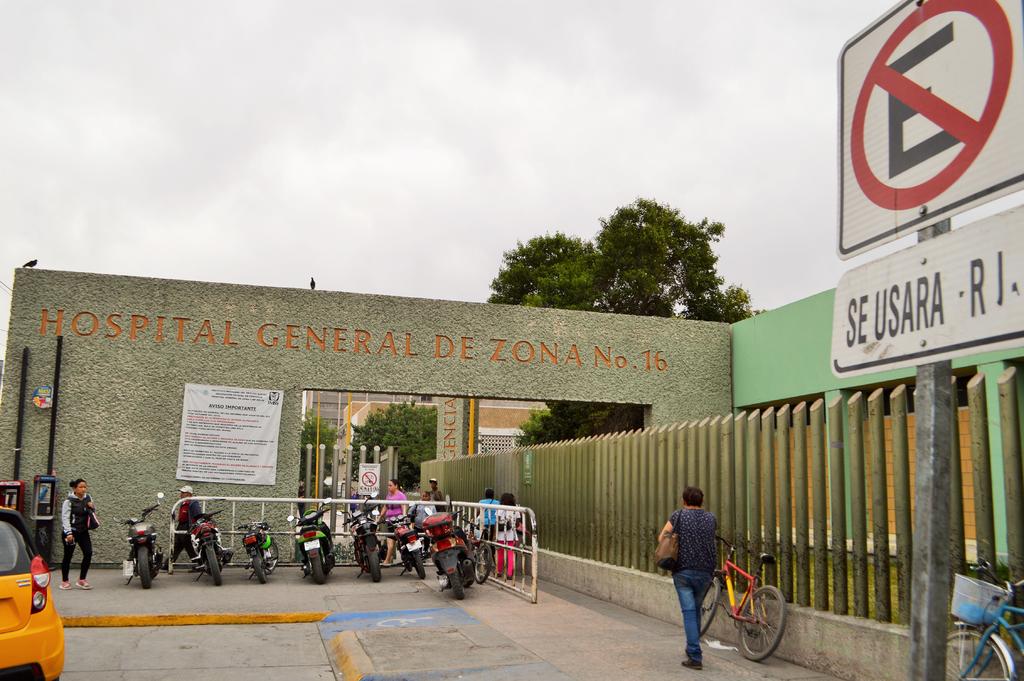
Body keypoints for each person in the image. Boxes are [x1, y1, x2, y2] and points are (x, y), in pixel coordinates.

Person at [659, 486, 717, 671]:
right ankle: (691, 647)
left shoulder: (678, 516)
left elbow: (662, 537)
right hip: (705, 572)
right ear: (701, 501)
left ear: (684, 501)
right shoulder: (711, 518)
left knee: (689, 612)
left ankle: (695, 655)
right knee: (695, 609)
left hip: (683, 571)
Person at [60, 478, 96, 590]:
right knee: (68, 556)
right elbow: (65, 518)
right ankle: (65, 581)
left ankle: (82, 580)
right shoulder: (68, 501)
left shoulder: (88, 498)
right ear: (75, 488)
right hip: (71, 532)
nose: (83, 489)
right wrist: (68, 533)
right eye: (81, 487)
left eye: (85, 487)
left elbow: (91, 513)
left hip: (83, 531)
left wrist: (92, 507)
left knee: (88, 553)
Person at [168, 485, 202, 569]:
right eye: (181, 492)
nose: (181, 494)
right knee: (177, 545)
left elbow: (198, 515)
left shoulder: (193, 502)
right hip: (181, 525)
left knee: (188, 545)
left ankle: (199, 564)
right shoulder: (183, 502)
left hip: (188, 526)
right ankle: (168, 564)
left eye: (183, 493)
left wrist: (194, 527)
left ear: (189, 494)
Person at [494, 492, 521, 583]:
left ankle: (499, 571)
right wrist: (512, 523)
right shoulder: (516, 509)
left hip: (501, 535)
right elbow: (517, 524)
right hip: (511, 535)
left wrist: (495, 534)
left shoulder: (500, 508)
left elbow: (496, 522)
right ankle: (509, 574)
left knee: (500, 554)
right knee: (511, 554)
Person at [382, 478, 406, 565]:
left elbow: (403, 506)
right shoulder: (388, 495)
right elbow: (385, 506)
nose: (388, 487)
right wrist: (380, 517)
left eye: (390, 485)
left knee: (401, 542)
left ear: (396, 486)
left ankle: (389, 560)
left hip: (398, 521)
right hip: (390, 522)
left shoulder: (401, 495)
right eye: (388, 485)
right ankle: (388, 559)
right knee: (390, 542)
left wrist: (403, 517)